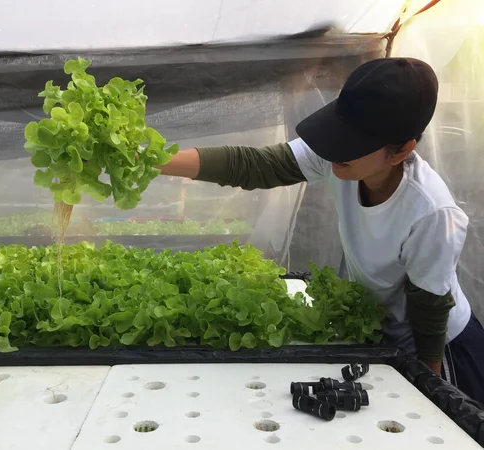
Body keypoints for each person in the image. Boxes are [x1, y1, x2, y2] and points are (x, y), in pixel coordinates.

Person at [157, 57, 484, 404]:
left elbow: (430, 307)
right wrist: (150, 159)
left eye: (351, 142)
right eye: (337, 132)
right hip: (384, 333)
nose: (334, 149)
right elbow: (256, 166)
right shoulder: (339, 157)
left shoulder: (431, 211)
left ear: (401, 150)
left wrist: (432, 390)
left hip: (439, 348)